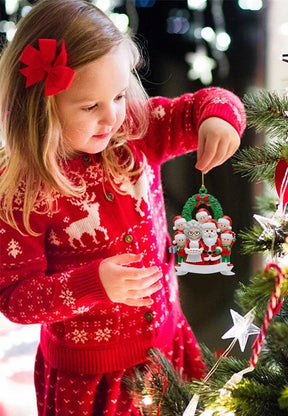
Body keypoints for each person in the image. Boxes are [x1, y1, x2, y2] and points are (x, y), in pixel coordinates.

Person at [0, 1, 246, 415]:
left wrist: (218, 118)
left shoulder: (134, 132)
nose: (112, 116)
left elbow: (203, 103)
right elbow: (13, 298)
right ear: (41, 107)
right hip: (92, 382)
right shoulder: (22, 190)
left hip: (167, 348)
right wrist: (92, 284)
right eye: (90, 106)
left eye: (117, 95)